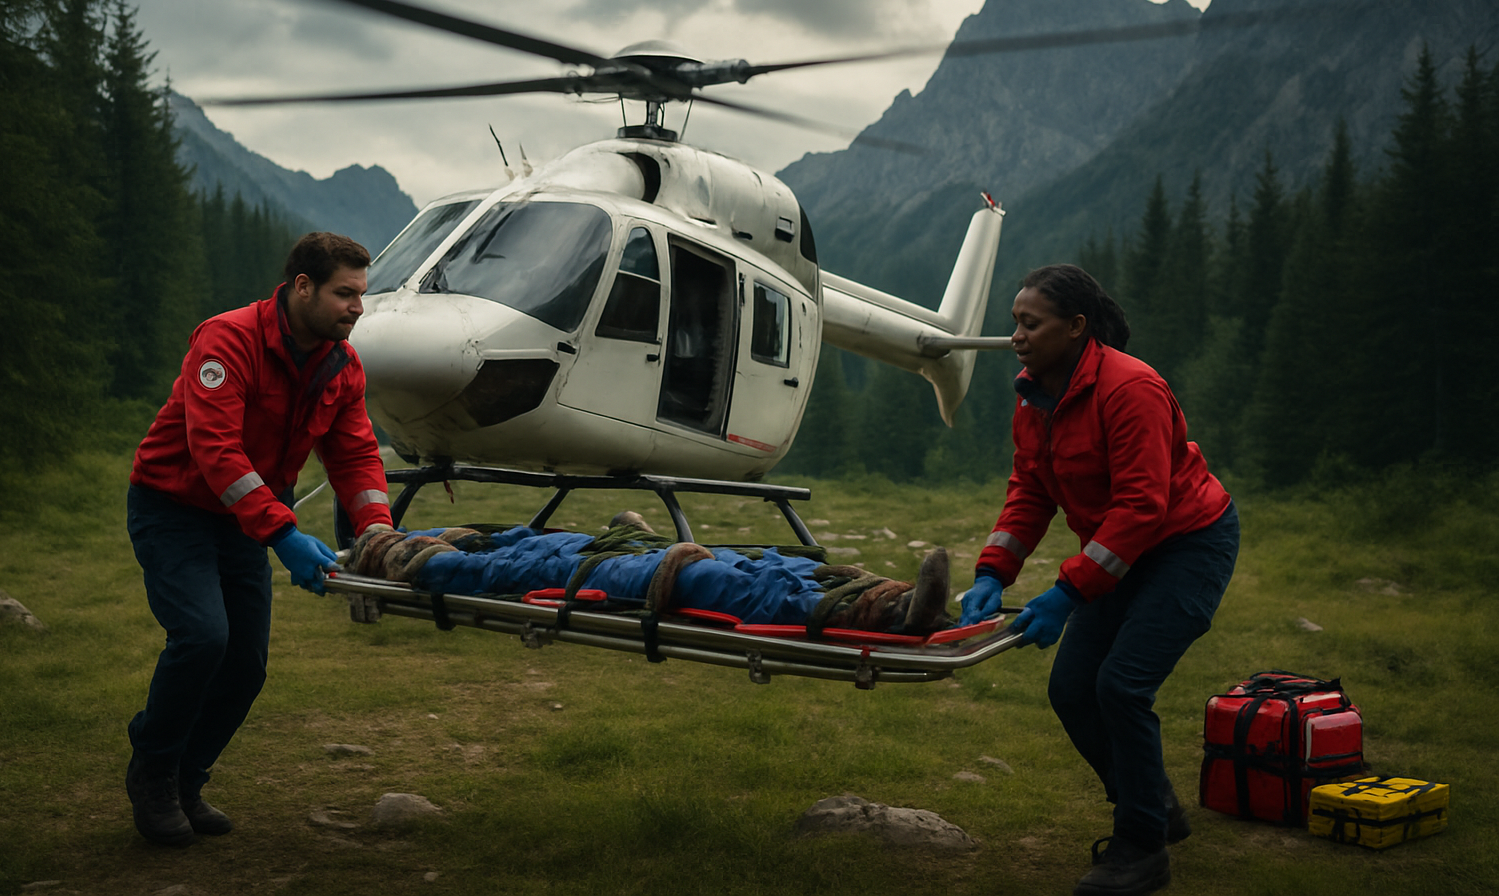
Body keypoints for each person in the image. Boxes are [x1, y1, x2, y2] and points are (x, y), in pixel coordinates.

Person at [957, 265, 1238, 896]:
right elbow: (1030, 490)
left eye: (1031, 324)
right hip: (1119, 553)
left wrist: (1067, 593)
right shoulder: (1033, 397)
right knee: (1071, 688)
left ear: (1076, 327)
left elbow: (1142, 507)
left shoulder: (1129, 388)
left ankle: (1141, 849)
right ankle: (1150, 802)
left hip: (1188, 545)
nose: (1017, 337)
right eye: (1014, 324)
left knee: (1120, 686)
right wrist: (991, 573)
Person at [124, 232, 394, 846]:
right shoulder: (226, 339)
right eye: (344, 294)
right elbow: (215, 451)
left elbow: (353, 454)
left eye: (362, 295)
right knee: (202, 638)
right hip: (174, 508)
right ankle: (153, 770)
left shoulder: (341, 364)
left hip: (246, 519)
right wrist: (285, 536)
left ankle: (187, 779)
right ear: (303, 287)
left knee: (245, 665)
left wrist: (377, 530)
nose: (358, 308)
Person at [341, 514, 952, 637]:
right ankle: (878, 611)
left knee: (766, 562)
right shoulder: (443, 559)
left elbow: (510, 538)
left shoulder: (479, 536)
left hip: (611, 552)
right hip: (607, 573)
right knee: (711, 581)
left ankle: (880, 590)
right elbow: (446, 568)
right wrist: (396, 548)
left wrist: (623, 529)